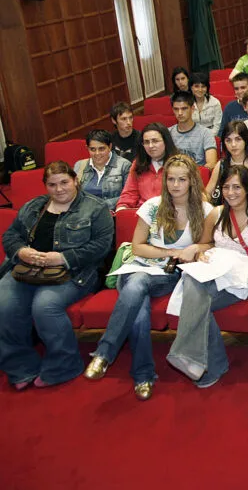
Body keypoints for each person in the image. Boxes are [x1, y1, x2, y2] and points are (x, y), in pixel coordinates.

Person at [84, 155, 213, 399]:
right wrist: (174, 251)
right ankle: (142, 375)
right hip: (135, 269)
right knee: (139, 300)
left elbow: (210, 243)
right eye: (171, 179)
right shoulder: (152, 206)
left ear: (192, 181)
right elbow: (137, 247)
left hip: (168, 276)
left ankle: (105, 354)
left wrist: (195, 249)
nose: (175, 185)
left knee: (139, 289)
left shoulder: (205, 210)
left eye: (181, 179)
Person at [167, 165, 248, 387]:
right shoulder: (217, 213)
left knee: (196, 300)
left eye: (237, 187)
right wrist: (197, 249)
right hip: (216, 271)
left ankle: (192, 356)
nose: (231, 192)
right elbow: (207, 242)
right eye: (226, 187)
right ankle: (204, 360)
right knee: (192, 281)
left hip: (247, 277)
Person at [0, 162, 113, 390]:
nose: (59, 189)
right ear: (45, 186)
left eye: (64, 182)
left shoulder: (95, 208)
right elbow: (11, 235)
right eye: (52, 184)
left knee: (45, 305)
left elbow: (101, 247)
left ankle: (65, 364)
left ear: (75, 181)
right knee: (5, 304)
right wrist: (22, 251)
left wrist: (62, 258)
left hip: (75, 271)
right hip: (29, 269)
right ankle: (21, 367)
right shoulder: (34, 206)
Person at [116, 122, 181, 211]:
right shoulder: (138, 164)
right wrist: (122, 208)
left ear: (166, 141)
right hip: (142, 213)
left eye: (155, 141)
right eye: (146, 142)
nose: (150, 146)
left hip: (170, 213)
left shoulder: (180, 163)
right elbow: (130, 193)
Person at [73, 129, 131, 210]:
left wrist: (98, 206)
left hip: (110, 213)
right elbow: (73, 195)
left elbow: (128, 196)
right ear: (87, 148)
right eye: (92, 149)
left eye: (101, 149)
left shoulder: (124, 165)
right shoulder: (79, 165)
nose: (97, 153)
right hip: (84, 214)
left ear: (110, 147)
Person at [168, 91, 217, 169]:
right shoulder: (168, 133)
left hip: (197, 176)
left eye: (184, 108)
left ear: (192, 109)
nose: (180, 113)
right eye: (176, 109)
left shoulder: (205, 133)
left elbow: (211, 164)